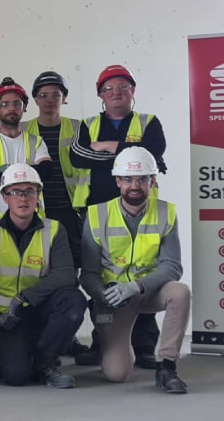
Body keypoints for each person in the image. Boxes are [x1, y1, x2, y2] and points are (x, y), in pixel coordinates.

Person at [69, 65, 169, 368]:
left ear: (133, 91)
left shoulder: (149, 121)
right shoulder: (87, 124)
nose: (116, 93)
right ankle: (103, 343)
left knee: (141, 270)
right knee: (101, 274)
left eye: (123, 87)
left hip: (140, 208)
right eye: (109, 88)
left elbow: (155, 150)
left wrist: (111, 148)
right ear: (100, 94)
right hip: (97, 209)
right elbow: (78, 155)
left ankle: (145, 347)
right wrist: (131, 153)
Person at [0, 164, 84, 388]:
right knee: (16, 376)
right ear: (4, 197)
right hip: (0, 318)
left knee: (74, 301)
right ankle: (12, 358)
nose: (22, 199)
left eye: (29, 191)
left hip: (35, 310)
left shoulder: (55, 229)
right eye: (15, 192)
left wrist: (25, 297)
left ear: (38, 196)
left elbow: (65, 275)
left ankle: (46, 362)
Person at [80, 147, 190, 394]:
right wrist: (102, 294)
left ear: (153, 181)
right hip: (114, 298)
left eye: (142, 179)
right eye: (128, 179)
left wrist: (136, 286)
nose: (135, 185)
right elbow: (88, 273)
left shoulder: (166, 212)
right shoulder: (97, 214)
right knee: (116, 373)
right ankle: (111, 345)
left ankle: (167, 367)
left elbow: (173, 266)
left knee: (180, 292)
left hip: (148, 291)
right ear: (117, 181)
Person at [24, 71, 90, 265]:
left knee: (73, 264)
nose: (49, 100)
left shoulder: (79, 127)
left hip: (71, 211)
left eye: (56, 94)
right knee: (38, 263)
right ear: (35, 99)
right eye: (43, 95)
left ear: (65, 98)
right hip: (37, 209)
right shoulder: (23, 130)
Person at [0, 77, 52, 219]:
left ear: (24, 107)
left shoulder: (36, 141)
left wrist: (3, 172)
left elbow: (47, 172)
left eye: (17, 103)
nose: (11, 108)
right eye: (5, 104)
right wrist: (27, 173)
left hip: (34, 218)